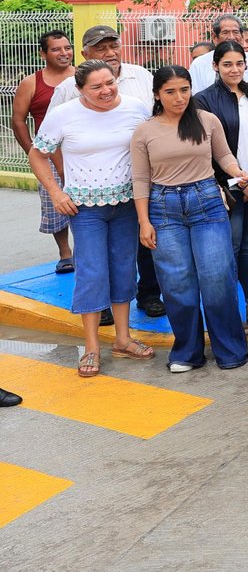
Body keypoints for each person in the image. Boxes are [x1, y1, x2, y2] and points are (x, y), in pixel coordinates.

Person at [28, 61, 155, 378]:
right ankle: (92, 348)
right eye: (96, 87)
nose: (106, 90)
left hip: (127, 204)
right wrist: (57, 193)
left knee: (125, 268)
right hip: (84, 209)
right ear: (80, 89)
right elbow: (37, 154)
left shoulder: (137, 108)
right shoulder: (64, 114)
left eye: (109, 82)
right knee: (92, 272)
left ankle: (123, 340)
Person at [132, 67, 248, 374]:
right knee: (176, 282)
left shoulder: (206, 120)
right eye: (170, 91)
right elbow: (140, 179)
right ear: (157, 94)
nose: (179, 97)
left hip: (207, 203)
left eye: (184, 89)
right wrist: (144, 222)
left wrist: (236, 172)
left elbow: (223, 156)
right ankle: (187, 351)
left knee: (217, 277)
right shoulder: (144, 131)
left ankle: (230, 348)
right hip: (163, 208)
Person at [50, 24, 163, 319]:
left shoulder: (142, 78)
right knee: (95, 261)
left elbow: (154, 127)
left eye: (113, 45)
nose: (109, 52)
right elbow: (51, 142)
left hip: (135, 188)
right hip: (88, 196)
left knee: (139, 248)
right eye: (100, 48)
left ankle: (148, 295)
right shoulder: (66, 90)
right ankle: (101, 310)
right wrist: (64, 182)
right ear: (86, 53)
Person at [193, 41, 248, 336]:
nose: (234, 69)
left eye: (239, 63)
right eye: (227, 64)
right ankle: (226, 315)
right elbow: (207, 149)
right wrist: (238, 183)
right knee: (227, 250)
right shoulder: (203, 101)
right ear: (215, 66)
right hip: (226, 191)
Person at [11, 30, 76, 272]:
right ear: (43, 53)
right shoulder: (31, 83)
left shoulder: (83, 76)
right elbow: (18, 120)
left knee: (85, 205)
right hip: (48, 154)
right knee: (54, 203)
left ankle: (86, 250)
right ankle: (65, 253)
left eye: (67, 48)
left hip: (80, 153)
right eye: (56, 49)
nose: (64, 53)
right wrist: (33, 152)